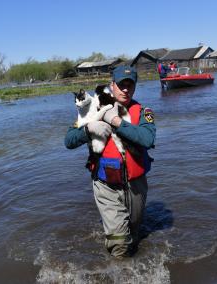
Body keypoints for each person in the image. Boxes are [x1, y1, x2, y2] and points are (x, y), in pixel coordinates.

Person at [64, 65, 156, 258]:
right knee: (119, 243)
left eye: (130, 85)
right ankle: (122, 272)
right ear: (112, 85)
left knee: (135, 232)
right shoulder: (93, 108)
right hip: (106, 184)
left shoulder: (144, 112)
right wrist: (89, 130)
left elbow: (147, 139)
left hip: (136, 184)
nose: (126, 89)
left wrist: (115, 121)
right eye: (122, 85)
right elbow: (69, 140)